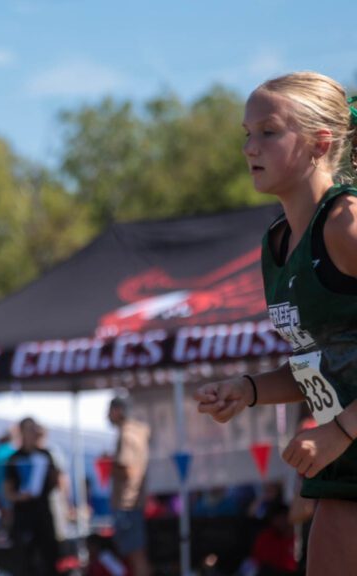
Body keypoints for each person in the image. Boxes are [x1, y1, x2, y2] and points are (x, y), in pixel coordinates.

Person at [194, 71, 357, 576]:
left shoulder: (346, 225)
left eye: (268, 131)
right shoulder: (278, 244)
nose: (249, 147)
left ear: (319, 143)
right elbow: (325, 361)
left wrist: (343, 431)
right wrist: (249, 389)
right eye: (246, 133)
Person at [4, 417, 60, 576]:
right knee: (25, 559)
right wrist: (20, 497)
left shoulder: (46, 455)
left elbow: (55, 482)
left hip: (43, 513)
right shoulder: (14, 458)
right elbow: (8, 490)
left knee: (49, 557)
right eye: (29, 430)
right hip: (23, 516)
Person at [107, 396, 151, 576]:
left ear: (117, 411)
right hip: (134, 503)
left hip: (127, 504)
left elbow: (129, 470)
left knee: (136, 556)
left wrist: (109, 467)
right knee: (136, 556)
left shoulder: (126, 435)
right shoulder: (138, 432)